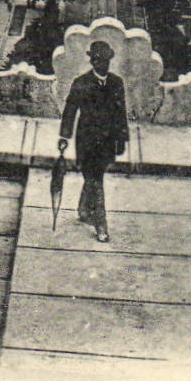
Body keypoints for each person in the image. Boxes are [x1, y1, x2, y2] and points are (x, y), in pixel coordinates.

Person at [58, 40, 128, 243]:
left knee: (94, 177)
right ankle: (101, 224)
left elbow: (120, 112)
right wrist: (64, 136)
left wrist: (121, 138)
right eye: (98, 60)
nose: (103, 64)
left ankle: (83, 209)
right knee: (96, 179)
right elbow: (70, 111)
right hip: (87, 140)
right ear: (93, 61)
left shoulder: (116, 83)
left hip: (107, 141)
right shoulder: (81, 83)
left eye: (106, 61)